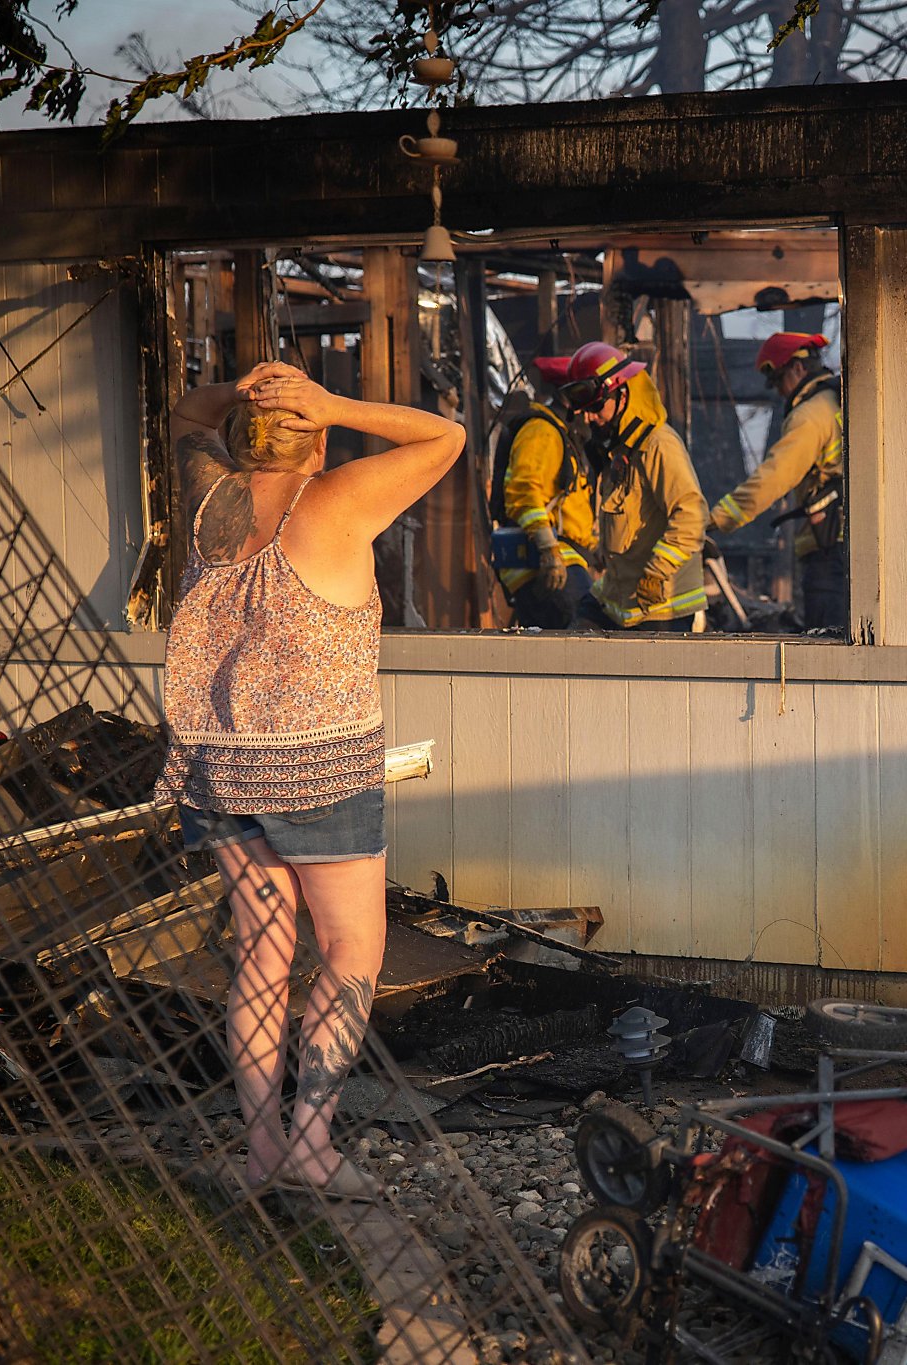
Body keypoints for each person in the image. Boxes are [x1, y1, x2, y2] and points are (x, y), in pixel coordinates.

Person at [152, 359, 465, 1199]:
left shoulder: (211, 498)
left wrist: (245, 395)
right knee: (351, 951)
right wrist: (334, 400)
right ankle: (312, 1149)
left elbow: (188, 410)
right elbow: (448, 435)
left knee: (259, 955)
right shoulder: (336, 500)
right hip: (320, 770)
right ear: (316, 437)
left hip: (217, 769)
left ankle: (260, 1155)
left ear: (243, 437)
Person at [558, 341, 706, 631]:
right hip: (619, 594)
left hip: (662, 602)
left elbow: (691, 514)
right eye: (584, 410)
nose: (589, 418)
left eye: (597, 406)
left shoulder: (659, 444)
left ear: (622, 394)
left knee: (649, 677)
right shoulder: (622, 449)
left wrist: (657, 571)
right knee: (576, 643)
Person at [708, 330, 847, 633]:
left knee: (826, 649)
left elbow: (774, 477)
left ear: (798, 368)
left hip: (829, 554)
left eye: (779, 379)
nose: (780, 391)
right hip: (845, 546)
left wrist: (716, 519)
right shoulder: (837, 403)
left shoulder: (810, 415)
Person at [488, 356, 596, 629]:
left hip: (559, 558)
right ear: (569, 399)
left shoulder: (560, 433)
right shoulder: (542, 431)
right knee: (582, 637)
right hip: (545, 561)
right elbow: (524, 492)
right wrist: (549, 550)